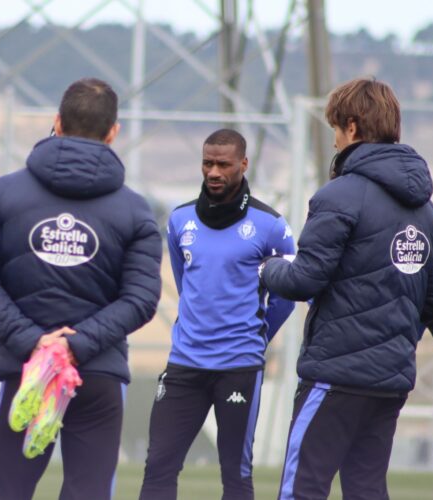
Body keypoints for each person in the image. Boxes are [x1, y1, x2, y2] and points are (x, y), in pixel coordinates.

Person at [0, 77, 162, 500]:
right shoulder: (136, 210)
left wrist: (36, 343)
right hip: (98, 374)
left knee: (4, 492)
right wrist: (78, 345)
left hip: (26, 372)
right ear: (113, 132)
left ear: (56, 122)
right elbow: (142, 299)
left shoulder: (1, 193)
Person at [259, 77, 433, 500]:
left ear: (351, 127)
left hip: (334, 376)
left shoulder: (339, 196)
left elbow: (303, 279)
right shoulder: (426, 209)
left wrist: (268, 268)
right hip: (390, 380)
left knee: (301, 487)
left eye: (334, 129)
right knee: (366, 488)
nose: (333, 143)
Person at [139, 129, 295, 500]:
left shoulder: (271, 225)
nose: (214, 171)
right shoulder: (179, 221)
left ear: (243, 164)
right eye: (208, 163)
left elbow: (288, 296)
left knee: (236, 475)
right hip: (185, 364)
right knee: (158, 465)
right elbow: (184, 279)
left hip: (238, 367)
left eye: (223, 164)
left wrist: (256, 336)